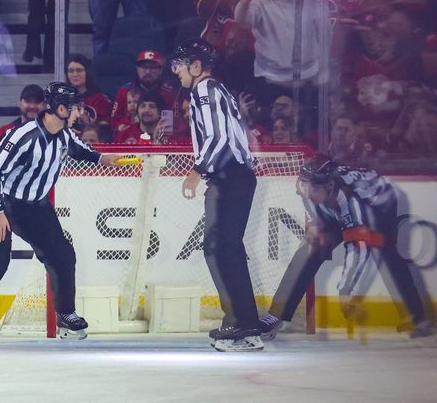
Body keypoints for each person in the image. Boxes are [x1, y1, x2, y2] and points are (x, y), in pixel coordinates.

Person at [0, 82, 129, 342]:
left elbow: (79, 150)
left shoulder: (65, 134)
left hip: (34, 206)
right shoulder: (23, 136)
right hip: (1, 201)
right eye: (75, 108)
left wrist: (103, 159)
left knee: (62, 255)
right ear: (59, 109)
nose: (79, 113)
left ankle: (67, 316)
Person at [258, 155, 433, 340]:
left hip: (379, 203)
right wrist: (315, 223)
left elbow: (359, 248)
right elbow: (306, 193)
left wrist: (345, 289)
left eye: (315, 188)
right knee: (310, 248)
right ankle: (275, 316)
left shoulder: (355, 201)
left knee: (384, 251)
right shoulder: (307, 184)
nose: (308, 192)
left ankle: (417, 317)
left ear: (330, 186)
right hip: (335, 206)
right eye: (305, 186)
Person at [171, 39, 263, 352]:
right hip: (231, 177)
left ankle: (243, 324)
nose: (177, 72)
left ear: (196, 66)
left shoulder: (204, 90)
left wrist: (197, 170)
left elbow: (217, 136)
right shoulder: (216, 89)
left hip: (229, 176)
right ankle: (240, 321)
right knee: (221, 248)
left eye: (180, 65)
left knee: (222, 248)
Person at [110, 49, 179, 133]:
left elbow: (177, 121)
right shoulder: (124, 91)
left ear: (161, 70)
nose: (148, 71)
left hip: (161, 138)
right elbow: (114, 120)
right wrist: (122, 126)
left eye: (153, 67)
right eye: (144, 67)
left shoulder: (170, 93)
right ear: (137, 69)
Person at [65, 54, 111, 125]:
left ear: (87, 72)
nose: (75, 74)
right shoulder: (61, 99)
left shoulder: (100, 100)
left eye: (79, 70)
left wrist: (87, 122)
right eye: (71, 71)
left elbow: (104, 129)